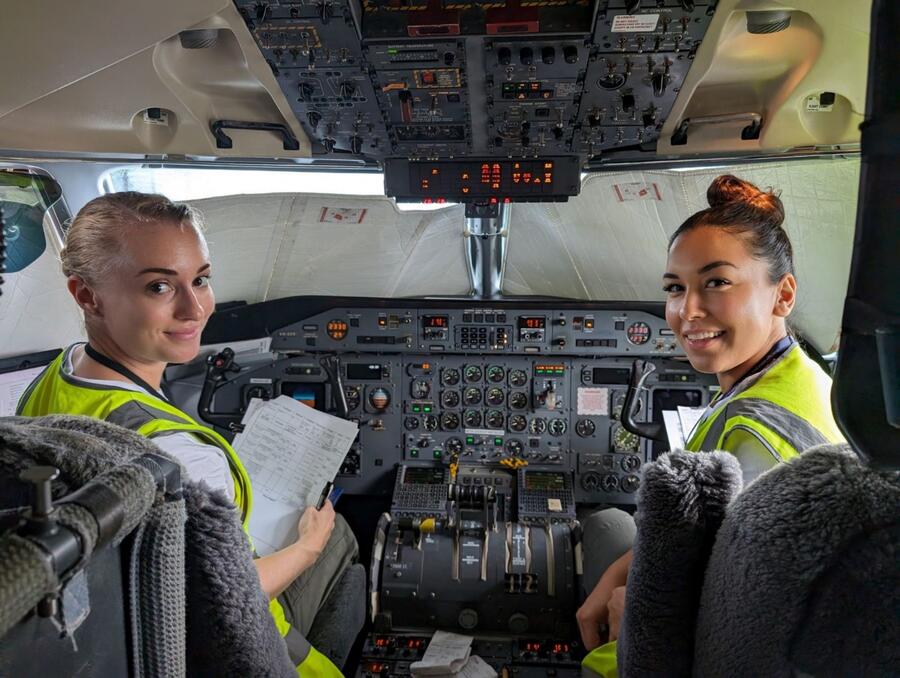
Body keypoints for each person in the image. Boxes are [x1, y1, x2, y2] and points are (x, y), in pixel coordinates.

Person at [16, 192, 359, 676]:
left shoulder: (60, 371)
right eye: (159, 287)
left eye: (200, 279)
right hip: (246, 644)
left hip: (121, 621)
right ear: (86, 295)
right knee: (336, 533)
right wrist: (307, 548)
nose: (195, 309)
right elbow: (229, 599)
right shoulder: (177, 454)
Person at [577, 175, 846, 677]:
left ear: (782, 295)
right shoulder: (795, 376)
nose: (687, 311)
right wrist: (618, 577)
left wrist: (628, 609)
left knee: (605, 524)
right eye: (675, 288)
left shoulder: (760, 435)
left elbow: (739, 614)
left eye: (716, 282)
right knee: (612, 529)